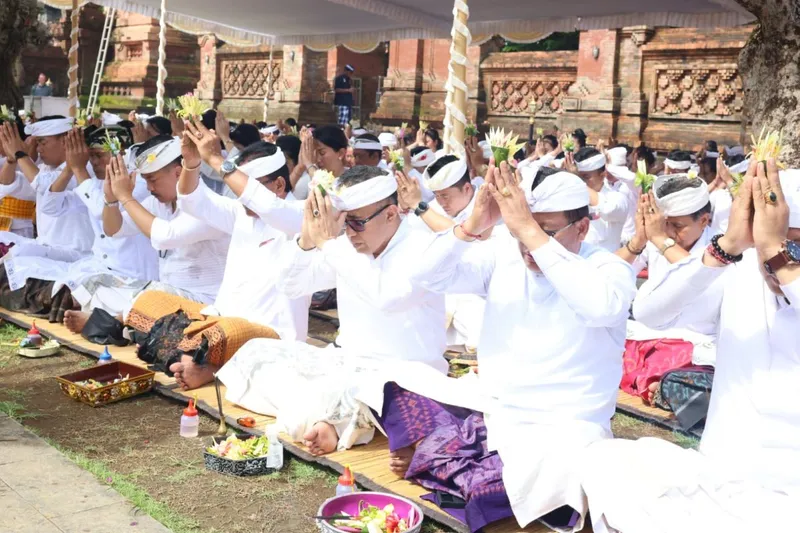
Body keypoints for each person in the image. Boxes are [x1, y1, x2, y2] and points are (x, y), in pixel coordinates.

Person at [379, 164, 635, 533]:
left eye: (545, 231)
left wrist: (529, 231)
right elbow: (424, 276)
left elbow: (600, 308)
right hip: (495, 412)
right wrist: (472, 224)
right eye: (520, 231)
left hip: (564, 429)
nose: (528, 245)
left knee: (520, 484)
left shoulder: (608, 270)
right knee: (400, 381)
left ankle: (448, 466)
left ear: (582, 227)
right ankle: (453, 463)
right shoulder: (505, 255)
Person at [579, 159, 800, 533]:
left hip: (791, 495)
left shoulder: (776, 264)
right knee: (601, 460)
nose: (775, 257)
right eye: (766, 243)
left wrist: (780, 257)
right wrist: (727, 247)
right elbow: (649, 311)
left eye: (793, 245)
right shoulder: (743, 271)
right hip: (722, 478)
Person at [217, 164, 448, 456]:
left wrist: (328, 243)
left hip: (405, 374)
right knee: (255, 353)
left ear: (391, 214)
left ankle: (335, 420)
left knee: (365, 394)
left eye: (357, 223)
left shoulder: (424, 248)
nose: (349, 232)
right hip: (347, 364)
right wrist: (306, 240)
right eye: (344, 222)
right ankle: (332, 417)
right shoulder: (348, 248)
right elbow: (291, 285)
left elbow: (386, 297)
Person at [136, 120, 308, 390]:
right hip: (220, 321)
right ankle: (199, 360)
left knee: (225, 333)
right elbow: (193, 200)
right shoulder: (241, 213)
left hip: (266, 335)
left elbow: (270, 208)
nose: (242, 197)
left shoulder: (300, 216)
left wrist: (216, 159)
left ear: (278, 184)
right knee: (150, 303)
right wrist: (192, 163)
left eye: (247, 188)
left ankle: (204, 364)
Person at [61, 135, 231, 334]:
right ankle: (129, 324)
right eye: (146, 180)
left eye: (153, 179)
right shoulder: (159, 204)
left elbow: (165, 236)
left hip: (205, 305)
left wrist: (126, 197)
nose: (149, 188)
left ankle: (114, 323)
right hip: (165, 299)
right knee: (97, 282)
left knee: (155, 294)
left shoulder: (208, 205)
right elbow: (113, 229)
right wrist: (111, 199)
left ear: (178, 173)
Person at [615, 174, 720, 404]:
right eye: (665, 224)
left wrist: (662, 241)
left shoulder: (721, 247)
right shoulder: (657, 238)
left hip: (697, 343)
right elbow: (610, 272)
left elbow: (703, 275)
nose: (670, 232)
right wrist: (638, 241)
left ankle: (663, 386)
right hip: (648, 335)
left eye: (678, 226)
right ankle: (659, 385)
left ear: (704, 221)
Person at [399, 155, 487, 354]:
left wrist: (419, 206)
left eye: (445, 196)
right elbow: (408, 229)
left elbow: (463, 234)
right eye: (437, 195)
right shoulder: (437, 206)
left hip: (479, 292)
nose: (441, 202)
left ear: (467, 188)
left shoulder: (487, 203)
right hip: (445, 291)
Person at [0, 117, 95, 300]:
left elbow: (44, 186)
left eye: (43, 142)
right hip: (47, 248)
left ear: (66, 141)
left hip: (75, 254)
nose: (38, 149)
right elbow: (7, 185)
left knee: (17, 258)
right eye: (37, 143)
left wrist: (20, 154)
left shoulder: (82, 169)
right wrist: (12, 160)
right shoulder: (45, 169)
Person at [568, 147, 630, 252]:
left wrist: (578, 182)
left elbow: (607, 210)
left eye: (586, 177)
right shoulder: (574, 199)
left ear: (603, 175)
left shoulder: (617, 198)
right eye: (579, 177)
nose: (582, 181)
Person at [0, 116, 35, 238]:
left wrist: (13, 158)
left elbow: (6, 182)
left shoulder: (29, 165)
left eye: (5, 138)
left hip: (18, 231)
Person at [291, 126, 349, 200]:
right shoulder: (309, 178)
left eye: (322, 153)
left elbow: (329, 197)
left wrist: (309, 165)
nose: (317, 159)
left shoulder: (354, 178)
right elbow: (286, 197)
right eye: (314, 153)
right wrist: (300, 167)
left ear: (341, 153)